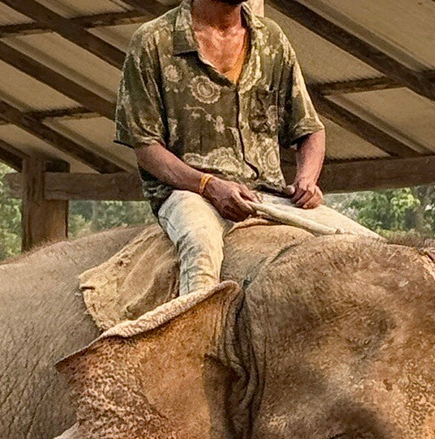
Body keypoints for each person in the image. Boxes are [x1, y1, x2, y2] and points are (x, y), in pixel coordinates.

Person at [115, 0, 379, 295]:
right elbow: (146, 147)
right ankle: (199, 339)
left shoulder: (271, 38)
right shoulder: (154, 41)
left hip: (269, 194)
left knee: (373, 247)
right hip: (189, 193)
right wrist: (208, 185)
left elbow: (310, 130)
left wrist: (306, 179)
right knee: (200, 247)